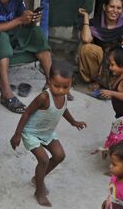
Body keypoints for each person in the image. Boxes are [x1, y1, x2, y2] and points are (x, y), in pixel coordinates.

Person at [9, 61, 87, 207]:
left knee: (59, 155)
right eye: (56, 86)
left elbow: (63, 109)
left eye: (65, 87)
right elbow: (27, 113)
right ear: (49, 81)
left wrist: (74, 122)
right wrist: (17, 134)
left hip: (47, 132)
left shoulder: (63, 96)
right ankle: (39, 190)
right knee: (43, 160)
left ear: (71, 84)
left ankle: (38, 178)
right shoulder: (44, 97)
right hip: (31, 133)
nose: (61, 90)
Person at [78, 0, 123, 92]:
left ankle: (122, 82)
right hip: (101, 67)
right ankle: (99, 82)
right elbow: (86, 39)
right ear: (105, 7)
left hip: (120, 69)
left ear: (122, 9)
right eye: (112, 7)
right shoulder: (95, 23)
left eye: (118, 8)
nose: (115, 11)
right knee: (86, 48)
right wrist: (86, 17)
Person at [99, 45, 123, 155]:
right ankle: (117, 161)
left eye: (112, 65)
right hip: (122, 116)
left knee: (121, 142)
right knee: (119, 140)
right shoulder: (120, 77)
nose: (110, 68)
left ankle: (121, 165)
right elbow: (120, 95)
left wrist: (111, 93)